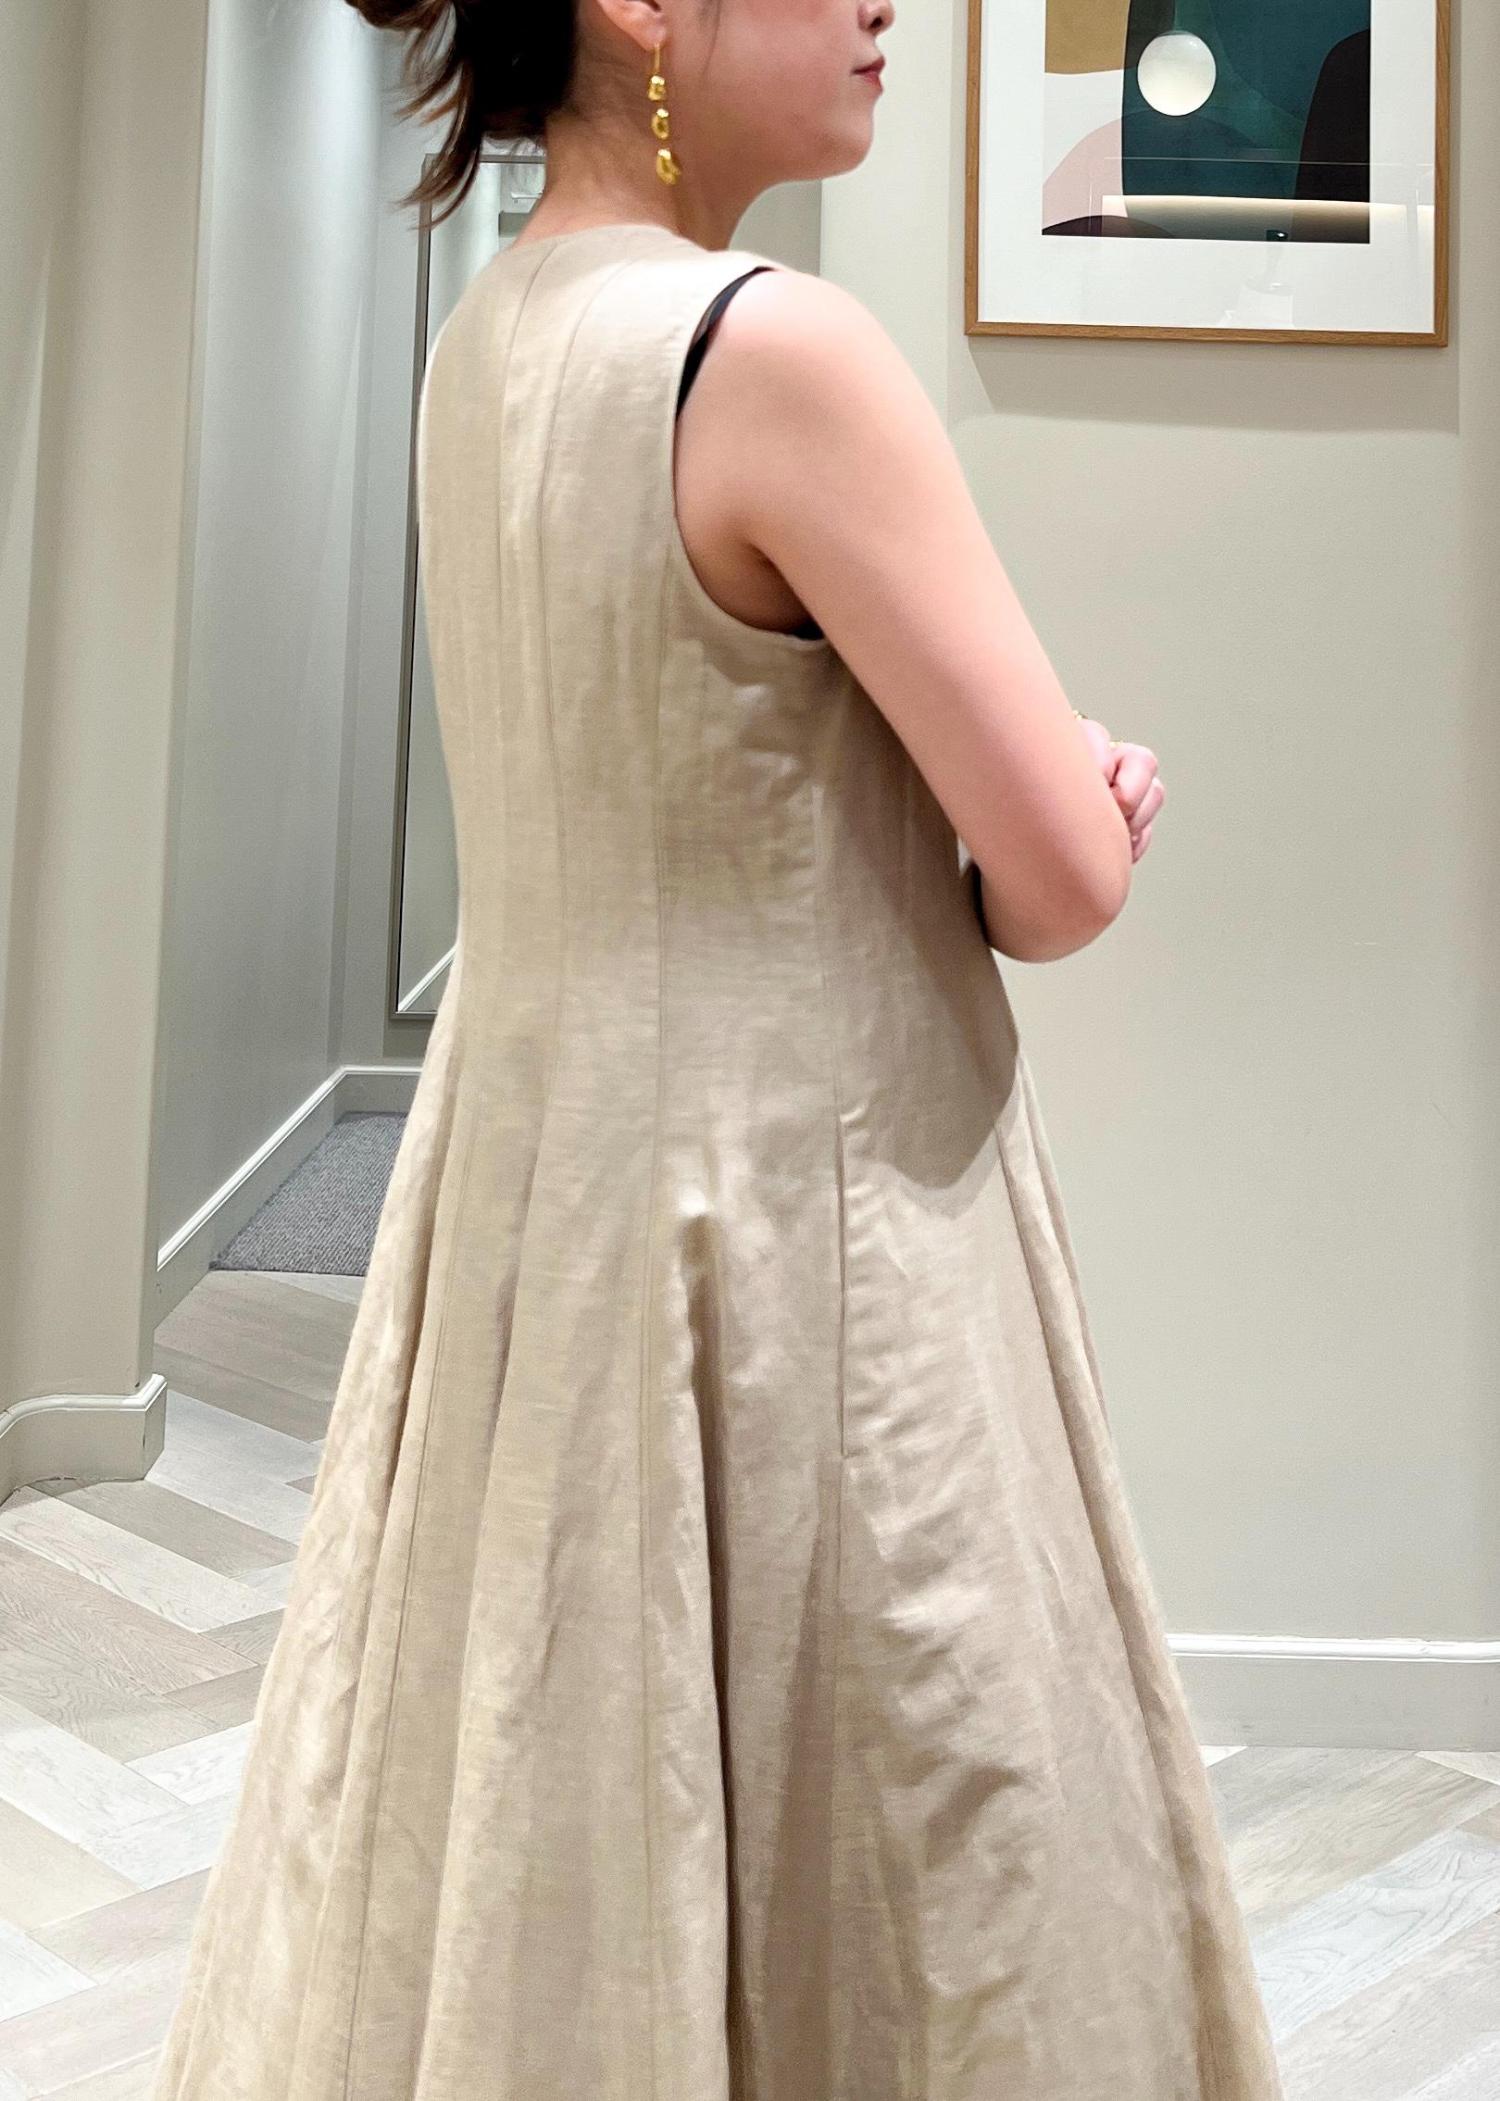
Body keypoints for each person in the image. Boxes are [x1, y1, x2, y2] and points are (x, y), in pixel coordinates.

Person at [149, 2, 1285, 2096]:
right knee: (909, 1878)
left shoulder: (490, 337)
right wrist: (1054, 806)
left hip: (547, 1233)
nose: (883, 7)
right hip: (809, 1255)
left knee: (557, 1826)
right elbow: (1058, 880)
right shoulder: (776, 353)